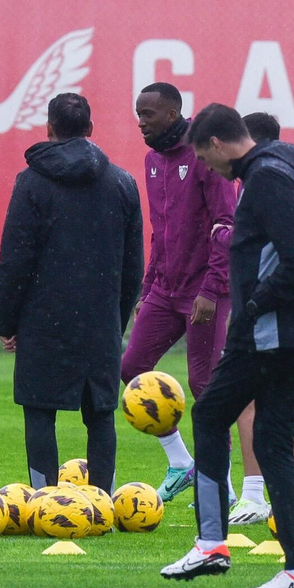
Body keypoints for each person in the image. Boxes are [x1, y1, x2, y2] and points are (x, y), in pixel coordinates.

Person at [158, 104, 294, 588]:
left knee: (210, 415)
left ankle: (211, 543)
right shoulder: (283, 170)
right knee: (272, 441)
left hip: (271, 334)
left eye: (202, 157)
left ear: (216, 143)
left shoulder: (267, 179)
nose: (206, 169)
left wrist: (255, 305)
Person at [0, 93, 143, 493]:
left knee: (39, 411)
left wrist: (7, 321)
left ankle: (44, 499)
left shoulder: (31, 182)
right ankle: (103, 502)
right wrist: (115, 319)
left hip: (43, 319)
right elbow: (134, 266)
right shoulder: (123, 183)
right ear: (90, 129)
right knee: (100, 414)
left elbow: (15, 258)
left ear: (49, 129)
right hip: (100, 320)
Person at [118, 83, 248, 512]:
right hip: (164, 288)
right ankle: (180, 462)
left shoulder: (204, 155)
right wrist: (147, 287)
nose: (141, 122)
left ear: (172, 114)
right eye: (138, 114)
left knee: (205, 387)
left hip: (204, 292)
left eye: (148, 114)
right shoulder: (153, 159)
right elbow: (161, 230)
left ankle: (223, 486)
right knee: (132, 369)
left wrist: (212, 289)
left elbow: (226, 224)